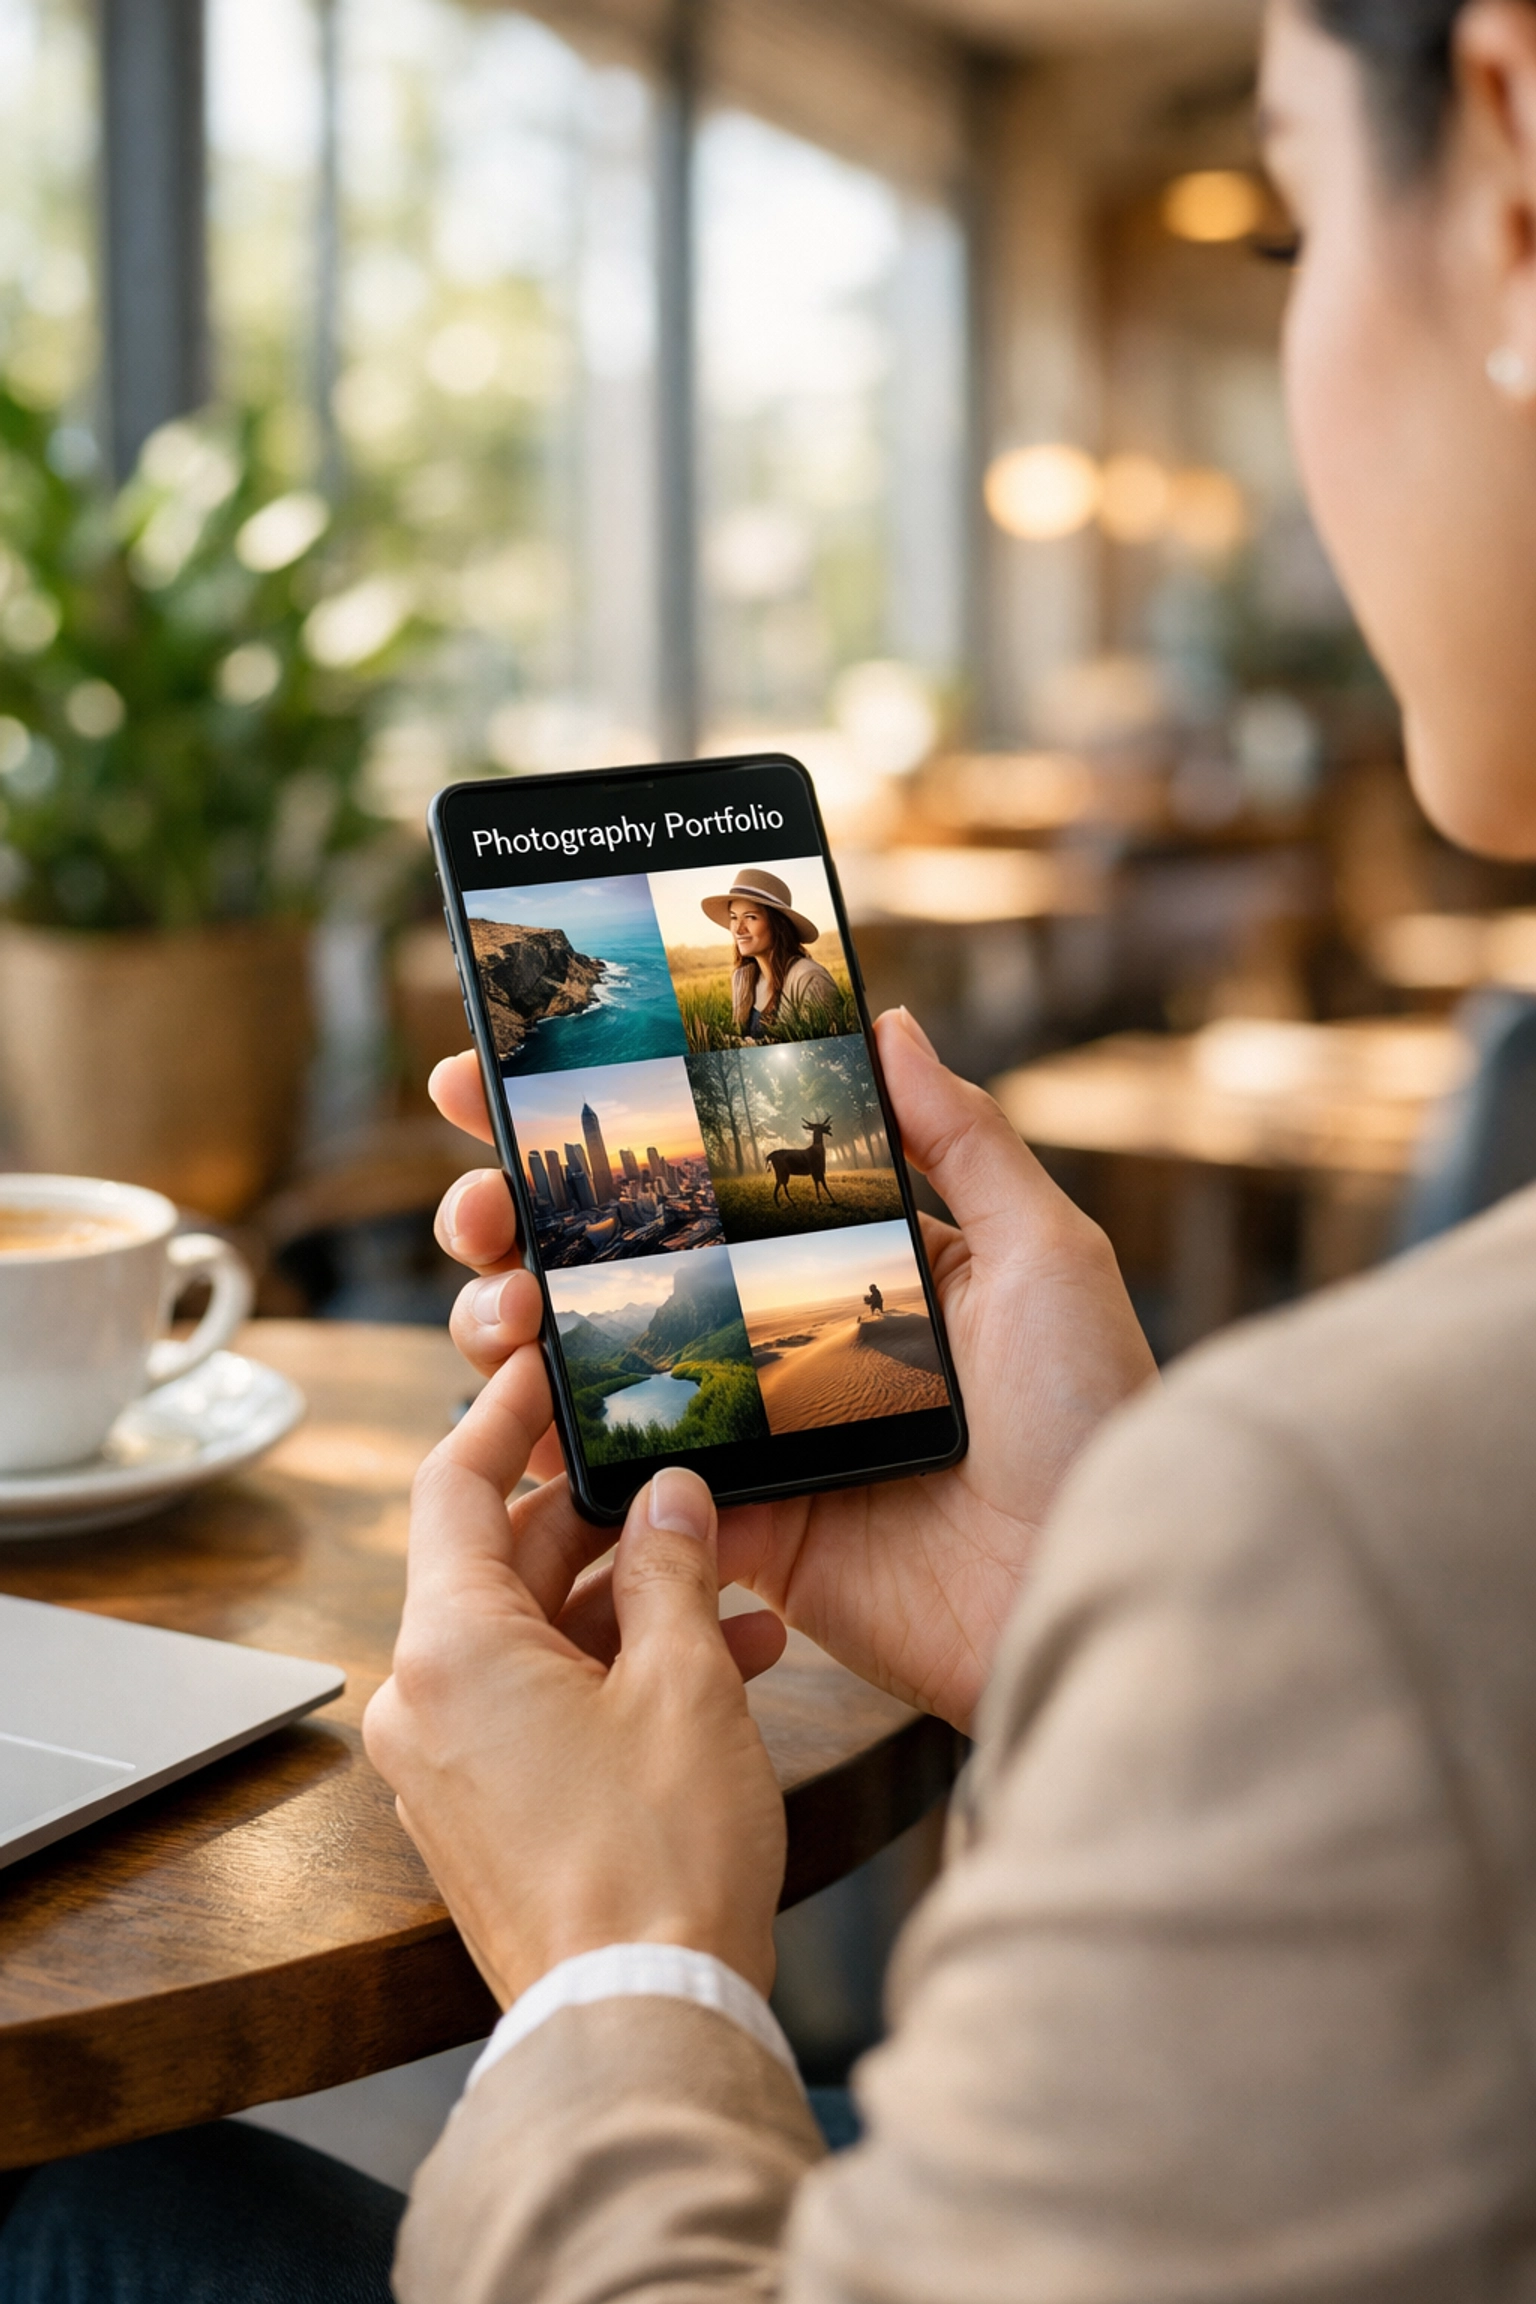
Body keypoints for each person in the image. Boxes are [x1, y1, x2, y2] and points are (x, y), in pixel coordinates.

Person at [7, 0, 1536, 2295]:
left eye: (1306, 212)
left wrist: (622, 1958)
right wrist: (1070, 1620)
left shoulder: (1350, 1522)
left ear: (1509, 170)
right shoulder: (1328, 1544)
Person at [700, 867, 841, 1041]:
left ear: (777, 924)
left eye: (751, 917)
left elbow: (812, 1053)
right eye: (734, 917)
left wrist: (715, 1039)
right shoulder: (742, 978)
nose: (738, 929)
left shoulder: (809, 979)